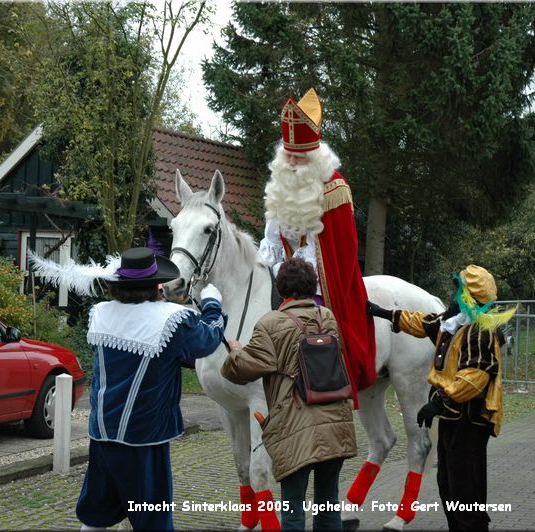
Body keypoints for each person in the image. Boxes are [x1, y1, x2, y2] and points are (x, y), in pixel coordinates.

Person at [73, 247, 227, 531]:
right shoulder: (170, 320)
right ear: (157, 285)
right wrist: (212, 303)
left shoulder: (101, 313)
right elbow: (208, 338)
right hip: (143, 437)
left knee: (97, 511)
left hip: (102, 432)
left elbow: (153, 355)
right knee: (151, 518)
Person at [366, 265, 515, 531]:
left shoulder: (480, 331)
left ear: (469, 295)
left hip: (470, 421)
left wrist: (437, 403)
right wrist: (383, 313)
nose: (452, 294)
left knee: (465, 490)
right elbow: (423, 323)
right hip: (453, 418)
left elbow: (473, 378)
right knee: (448, 485)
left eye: (457, 289)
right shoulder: (454, 322)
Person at [256, 87, 375, 410]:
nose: (292, 162)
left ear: (315, 156)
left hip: (320, 284)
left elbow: (345, 252)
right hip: (285, 279)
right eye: (288, 155)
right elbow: (271, 243)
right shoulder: (280, 185)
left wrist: (308, 283)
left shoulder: (335, 187)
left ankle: (325, 385)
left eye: (300, 157)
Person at [221, 257, 357, 531]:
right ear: (311, 287)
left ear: (280, 290)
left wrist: (235, 350)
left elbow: (241, 370)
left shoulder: (270, 324)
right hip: (335, 425)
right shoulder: (327, 317)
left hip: (294, 429)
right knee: (328, 505)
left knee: (293, 511)